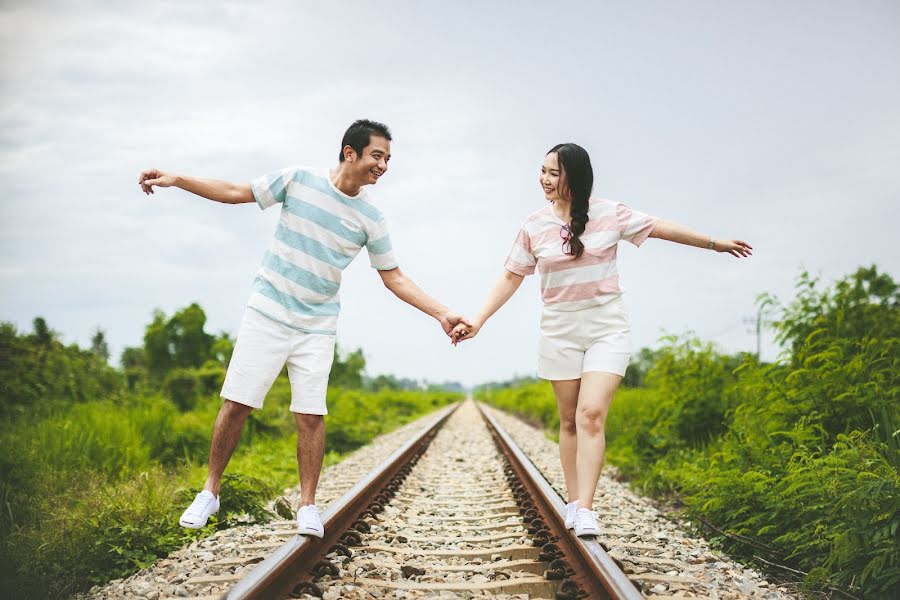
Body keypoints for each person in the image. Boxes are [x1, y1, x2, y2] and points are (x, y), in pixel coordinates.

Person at [138, 119, 470, 537]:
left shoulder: (372, 218)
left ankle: (308, 505)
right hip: (268, 310)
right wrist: (178, 179)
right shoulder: (299, 180)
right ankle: (210, 490)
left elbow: (395, 277)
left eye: (387, 159)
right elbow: (237, 192)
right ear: (350, 152)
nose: (383, 166)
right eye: (377, 156)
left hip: (316, 324)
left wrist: (442, 313)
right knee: (237, 404)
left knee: (310, 414)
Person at [451, 142, 751, 537]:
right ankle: (573, 503)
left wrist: (714, 243)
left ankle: (587, 508)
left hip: (606, 326)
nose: (544, 179)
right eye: (542, 171)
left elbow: (662, 228)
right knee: (569, 421)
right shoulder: (533, 225)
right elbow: (511, 276)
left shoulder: (610, 214)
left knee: (590, 414)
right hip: (559, 329)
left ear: (573, 177)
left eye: (553, 173)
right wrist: (479, 320)